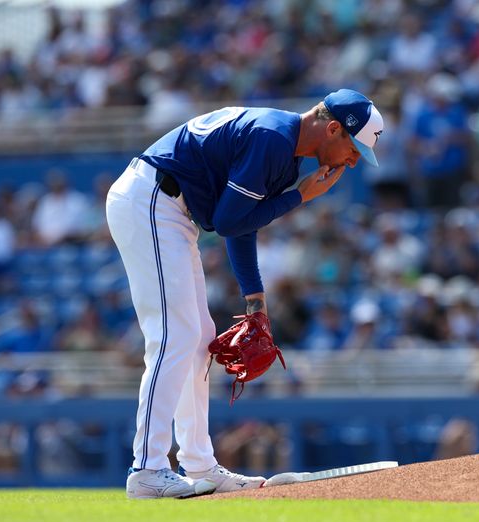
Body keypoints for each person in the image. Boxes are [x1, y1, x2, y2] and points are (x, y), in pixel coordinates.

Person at [105, 89, 383, 499]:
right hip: (152, 200)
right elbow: (228, 221)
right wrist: (300, 197)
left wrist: (255, 299)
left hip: (170, 210)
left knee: (199, 338)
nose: (354, 160)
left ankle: (200, 465)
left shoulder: (284, 151)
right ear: (333, 128)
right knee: (174, 336)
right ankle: (146, 468)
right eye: (353, 147)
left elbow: (239, 224)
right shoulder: (273, 138)